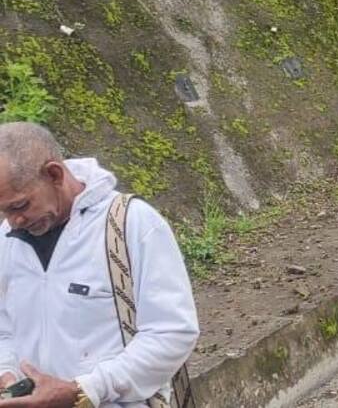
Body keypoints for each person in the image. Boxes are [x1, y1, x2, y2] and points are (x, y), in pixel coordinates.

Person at [0, 123, 199, 408]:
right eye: (4, 210)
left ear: (54, 174)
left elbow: (172, 332)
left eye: (19, 206)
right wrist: (7, 374)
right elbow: (4, 330)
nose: (13, 220)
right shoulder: (6, 241)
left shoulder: (131, 223)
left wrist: (84, 390)